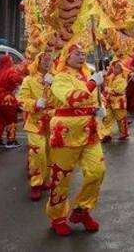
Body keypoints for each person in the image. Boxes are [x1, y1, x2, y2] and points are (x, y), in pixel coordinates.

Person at [47, 43, 106, 236]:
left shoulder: (87, 74)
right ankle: (57, 217)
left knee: (97, 171)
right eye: (77, 53)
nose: (81, 56)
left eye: (83, 53)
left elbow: (93, 98)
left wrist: (99, 108)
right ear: (66, 56)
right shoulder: (61, 78)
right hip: (66, 134)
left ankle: (82, 209)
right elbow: (74, 99)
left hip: (89, 131)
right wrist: (92, 84)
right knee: (61, 177)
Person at [18, 52, 54, 201]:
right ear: (38, 62)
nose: (47, 63)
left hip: (52, 124)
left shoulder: (56, 79)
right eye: (44, 60)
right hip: (35, 124)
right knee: (37, 154)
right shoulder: (29, 80)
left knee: (50, 155)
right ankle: (36, 184)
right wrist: (34, 103)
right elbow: (20, 100)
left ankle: (45, 180)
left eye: (49, 60)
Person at [0, 54, 25, 149]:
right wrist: (24, 80)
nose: (12, 62)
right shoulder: (10, 71)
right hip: (7, 98)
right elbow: (17, 79)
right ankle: (11, 140)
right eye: (11, 60)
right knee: (11, 119)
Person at [100, 59, 129, 142]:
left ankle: (124, 133)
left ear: (121, 70)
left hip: (119, 102)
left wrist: (108, 89)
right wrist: (104, 76)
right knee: (107, 118)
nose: (114, 69)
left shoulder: (122, 79)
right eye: (114, 67)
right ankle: (106, 134)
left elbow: (119, 90)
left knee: (121, 119)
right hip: (110, 101)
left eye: (117, 68)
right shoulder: (112, 77)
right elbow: (105, 80)